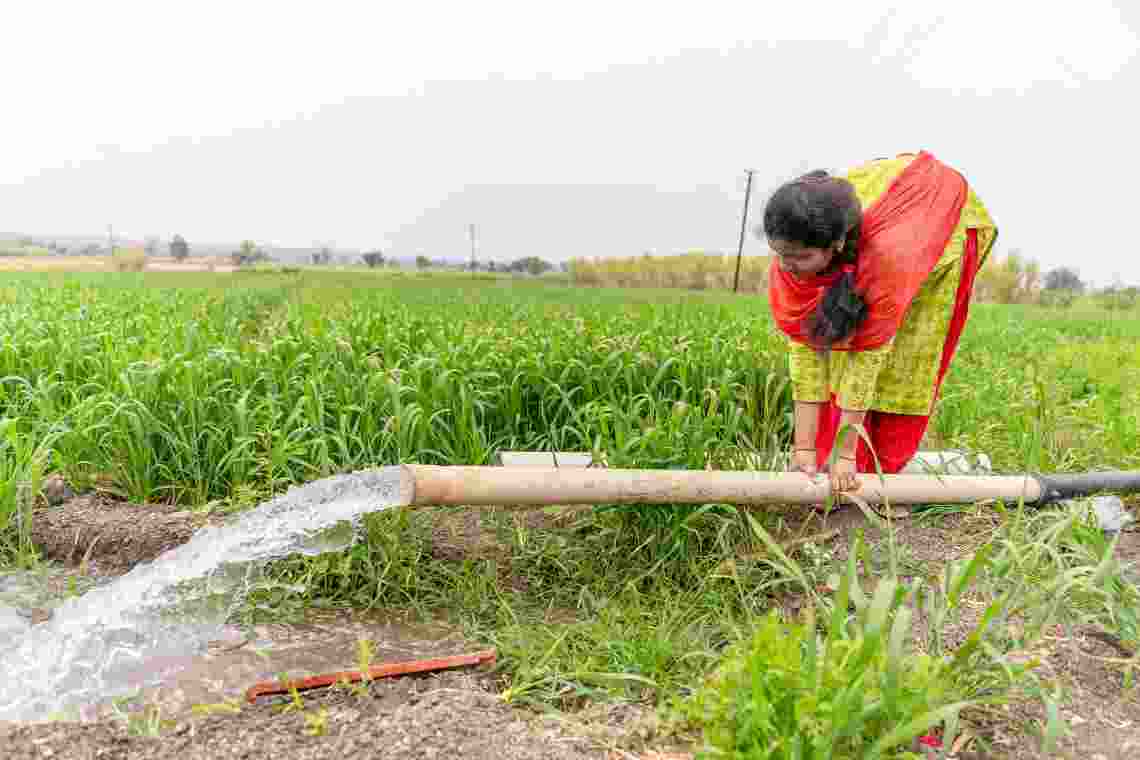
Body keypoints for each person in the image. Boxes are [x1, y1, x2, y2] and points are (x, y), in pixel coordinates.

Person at [761, 151, 998, 495]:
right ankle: (823, 463)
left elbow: (865, 361)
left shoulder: (886, 262)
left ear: (836, 244)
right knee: (833, 343)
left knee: (903, 363)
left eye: (800, 258)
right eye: (781, 254)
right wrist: (804, 451)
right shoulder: (792, 254)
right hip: (891, 215)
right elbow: (806, 353)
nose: (788, 265)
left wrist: (845, 456)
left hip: (946, 219)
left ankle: (880, 473)